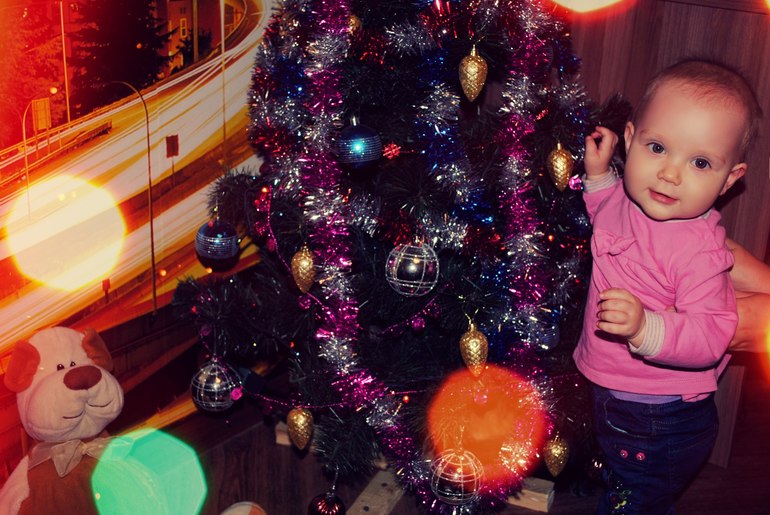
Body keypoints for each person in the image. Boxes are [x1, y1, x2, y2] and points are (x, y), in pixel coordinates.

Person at [574, 58, 762, 514]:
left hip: (660, 417)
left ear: (729, 179)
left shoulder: (699, 252)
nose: (670, 174)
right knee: (629, 490)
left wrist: (646, 328)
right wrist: (598, 176)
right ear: (632, 139)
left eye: (700, 162)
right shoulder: (632, 198)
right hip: (619, 398)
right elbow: (607, 213)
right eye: (657, 148)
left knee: (635, 503)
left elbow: (711, 333)